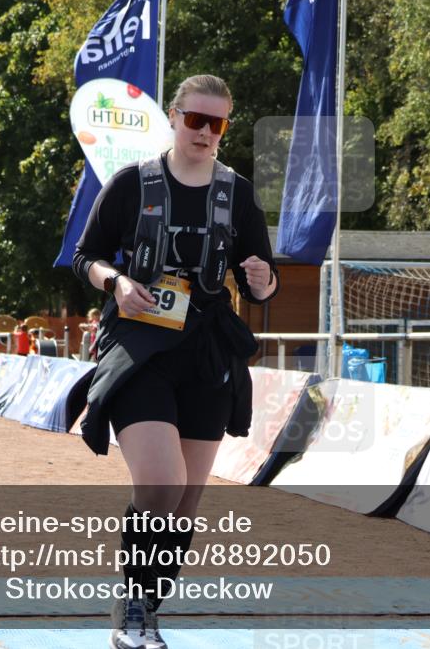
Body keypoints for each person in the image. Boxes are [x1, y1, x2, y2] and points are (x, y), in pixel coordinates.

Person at [71, 74, 278, 649]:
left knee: (185, 501)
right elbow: (84, 256)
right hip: (139, 347)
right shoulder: (131, 185)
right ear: (174, 116)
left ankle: (146, 611)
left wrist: (263, 280)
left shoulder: (237, 193)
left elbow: (259, 277)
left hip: (207, 352)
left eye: (218, 124)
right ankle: (129, 605)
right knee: (163, 483)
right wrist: (114, 282)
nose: (206, 133)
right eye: (196, 120)